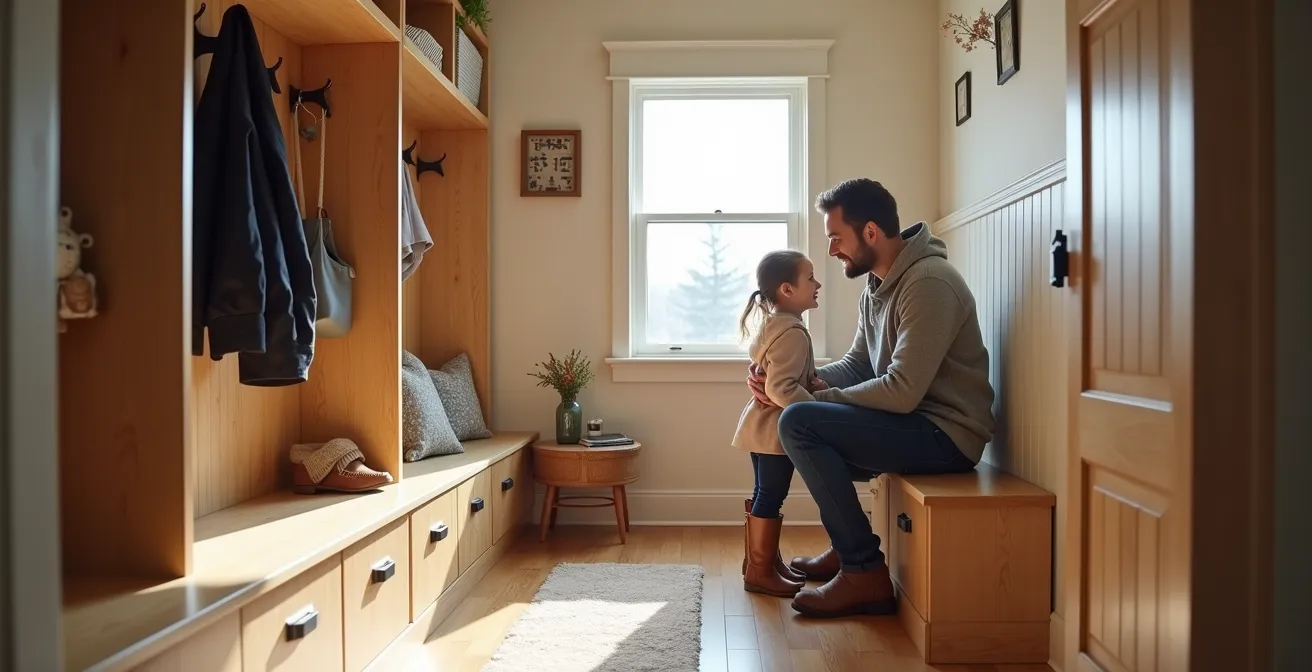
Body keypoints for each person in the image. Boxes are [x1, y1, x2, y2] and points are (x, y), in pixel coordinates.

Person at [747, 178, 995, 618]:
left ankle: (863, 570)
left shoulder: (929, 283)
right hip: (912, 423)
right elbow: (858, 365)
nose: (831, 251)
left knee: (799, 422)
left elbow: (901, 390)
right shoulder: (877, 287)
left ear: (871, 232)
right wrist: (787, 380)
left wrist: (810, 400)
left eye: (836, 238)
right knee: (797, 416)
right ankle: (849, 549)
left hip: (945, 435)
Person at [730, 250, 823, 598]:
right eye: (810, 278)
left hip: (759, 425)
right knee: (771, 496)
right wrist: (817, 408)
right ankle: (760, 571)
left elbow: (778, 378)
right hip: (774, 431)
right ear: (787, 289)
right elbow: (781, 388)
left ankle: (763, 564)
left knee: (762, 494)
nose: (817, 284)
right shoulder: (793, 332)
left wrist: (811, 383)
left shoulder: (774, 325)